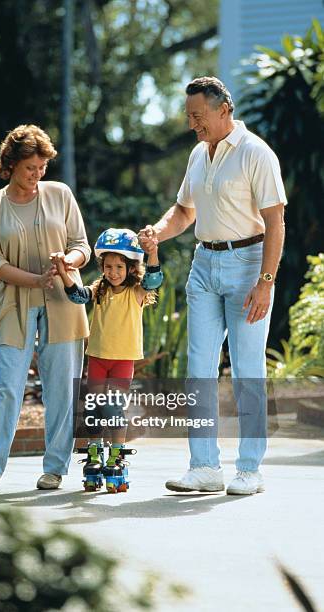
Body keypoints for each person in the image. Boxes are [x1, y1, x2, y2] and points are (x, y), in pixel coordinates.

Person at [139, 76, 286, 495]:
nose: (192, 125)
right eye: (189, 117)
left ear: (224, 109)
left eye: (198, 116)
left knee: (246, 370)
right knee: (198, 366)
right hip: (204, 264)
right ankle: (204, 467)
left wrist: (265, 281)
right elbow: (183, 212)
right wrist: (157, 233)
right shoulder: (198, 156)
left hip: (248, 264)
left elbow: (276, 222)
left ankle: (249, 470)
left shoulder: (257, 153)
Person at [0, 124, 90, 492]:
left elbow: (82, 246)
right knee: (5, 386)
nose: (38, 175)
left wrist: (66, 262)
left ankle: (55, 468)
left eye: (42, 168)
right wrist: (35, 280)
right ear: (9, 165)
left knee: (60, 388)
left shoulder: (60, 194)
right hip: (14, 304)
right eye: (30, 169)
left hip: (63, 303)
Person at [52, 228, 163, 492]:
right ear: (102, 266)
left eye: (119, 267)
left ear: (130, 267)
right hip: (98, 359)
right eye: (109, 266)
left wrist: (154, 253)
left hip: (123, 361)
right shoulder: (99, 290)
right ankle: (93, 456)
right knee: (93, 410)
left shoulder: (136, 292)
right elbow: (77, 296)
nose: (113, 272)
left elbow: (155, 280)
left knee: (113, 410)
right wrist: (63, 271)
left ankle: (116, 456)